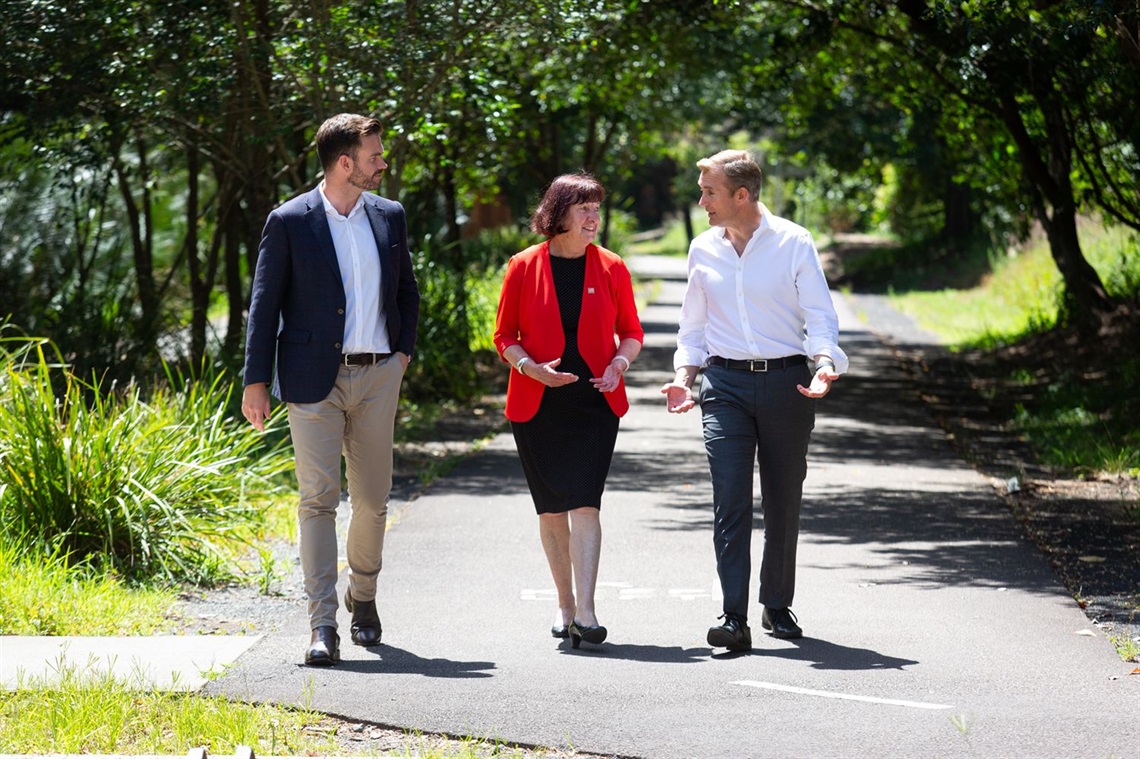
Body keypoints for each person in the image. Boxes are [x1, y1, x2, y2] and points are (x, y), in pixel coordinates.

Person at [242, 113, 420, 666]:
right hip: (310, 381)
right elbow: (264, 304)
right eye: (375, 155)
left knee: (371, 500)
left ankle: (362, 597)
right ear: (345, 162)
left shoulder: (389, 215)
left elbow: (407, 290)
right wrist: (255, 379)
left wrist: (402, 353)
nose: (382, 162)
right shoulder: (290, 220)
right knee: (317, 501)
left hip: (376, 376)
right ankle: (322, 623)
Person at [661, 150, 847, 652]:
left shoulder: (792, 242)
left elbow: (819, 314)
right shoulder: (703, 249)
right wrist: (684, 376)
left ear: (741, 195)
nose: (701, 201)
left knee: (783, 499)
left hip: (787, 383)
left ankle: (776, 603)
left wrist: (826, 362)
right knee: (730, 500)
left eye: (709, 192)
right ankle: (733, 615)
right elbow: (692, 328)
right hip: (724, 387)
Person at [494, 173, 644, 649]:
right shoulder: (522, 266)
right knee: (552, 507)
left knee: (585, 501)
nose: (593, 219)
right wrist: (529, 369)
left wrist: (621, 362)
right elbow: (504, 337)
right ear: (558, 214)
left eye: (597, 210)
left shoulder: (612, 266)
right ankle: (563, 604)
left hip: (595, 402)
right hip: (538, 402)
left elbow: (632, 332)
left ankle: (587, 610)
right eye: (584, 210)